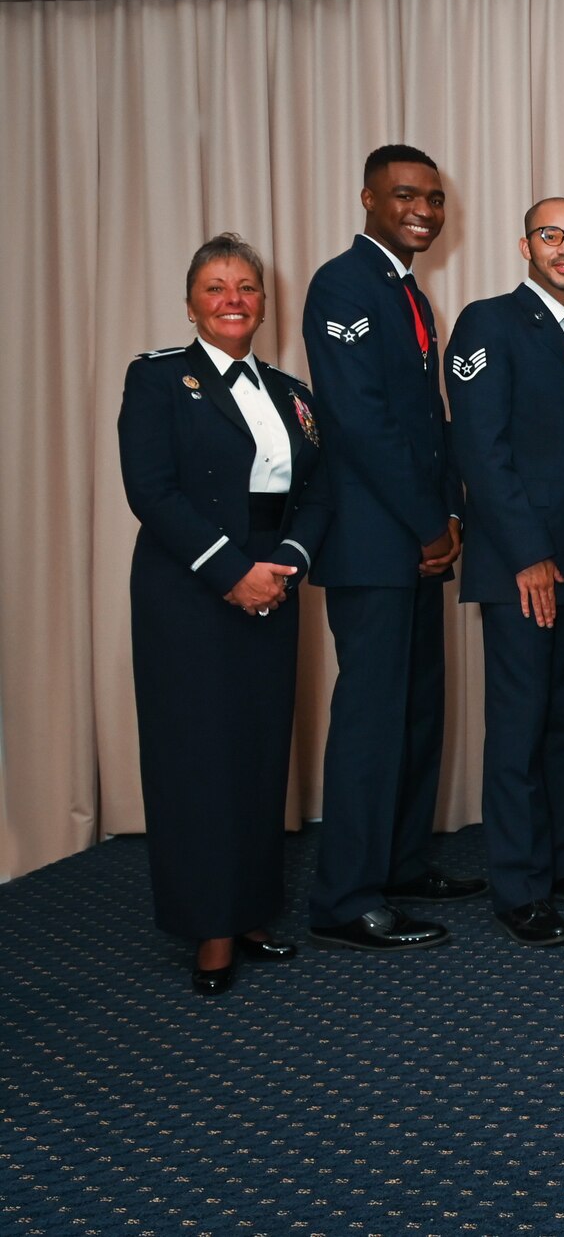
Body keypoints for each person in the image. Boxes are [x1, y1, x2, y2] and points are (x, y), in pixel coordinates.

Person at [118, 234, 328, 993]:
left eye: (245, 286)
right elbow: (151, 490)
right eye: (215, 286)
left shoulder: (291, 392)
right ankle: (208, 924)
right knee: (197, 759)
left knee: (260, 750)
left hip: (272, 589)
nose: (233, 298)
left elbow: (317, 492)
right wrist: (230, 570)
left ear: (264, 302)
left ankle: (250, 909)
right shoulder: (158, 382)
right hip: (191, 594)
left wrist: (290, 563)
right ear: (191, 303)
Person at [303, 144, 485, 953]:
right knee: (372, 722)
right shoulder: (343, 285)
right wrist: (426, 523)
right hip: (377, 543)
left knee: (417, 712)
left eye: (434, 198)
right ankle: (347, 894)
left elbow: (426, 420)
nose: (423, 209)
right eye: (406, 195)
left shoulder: (408, 293)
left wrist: (449, 512)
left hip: (417, 536)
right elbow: (360, 423)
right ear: (368, 197)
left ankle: (402, 862)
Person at [445, 198, 564, 946]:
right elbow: (480, 453)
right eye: (551, 236)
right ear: (524, 242)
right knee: (520, 728)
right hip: (523, 568)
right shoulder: (489, 324)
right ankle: (519, 885)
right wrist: (527, 554)